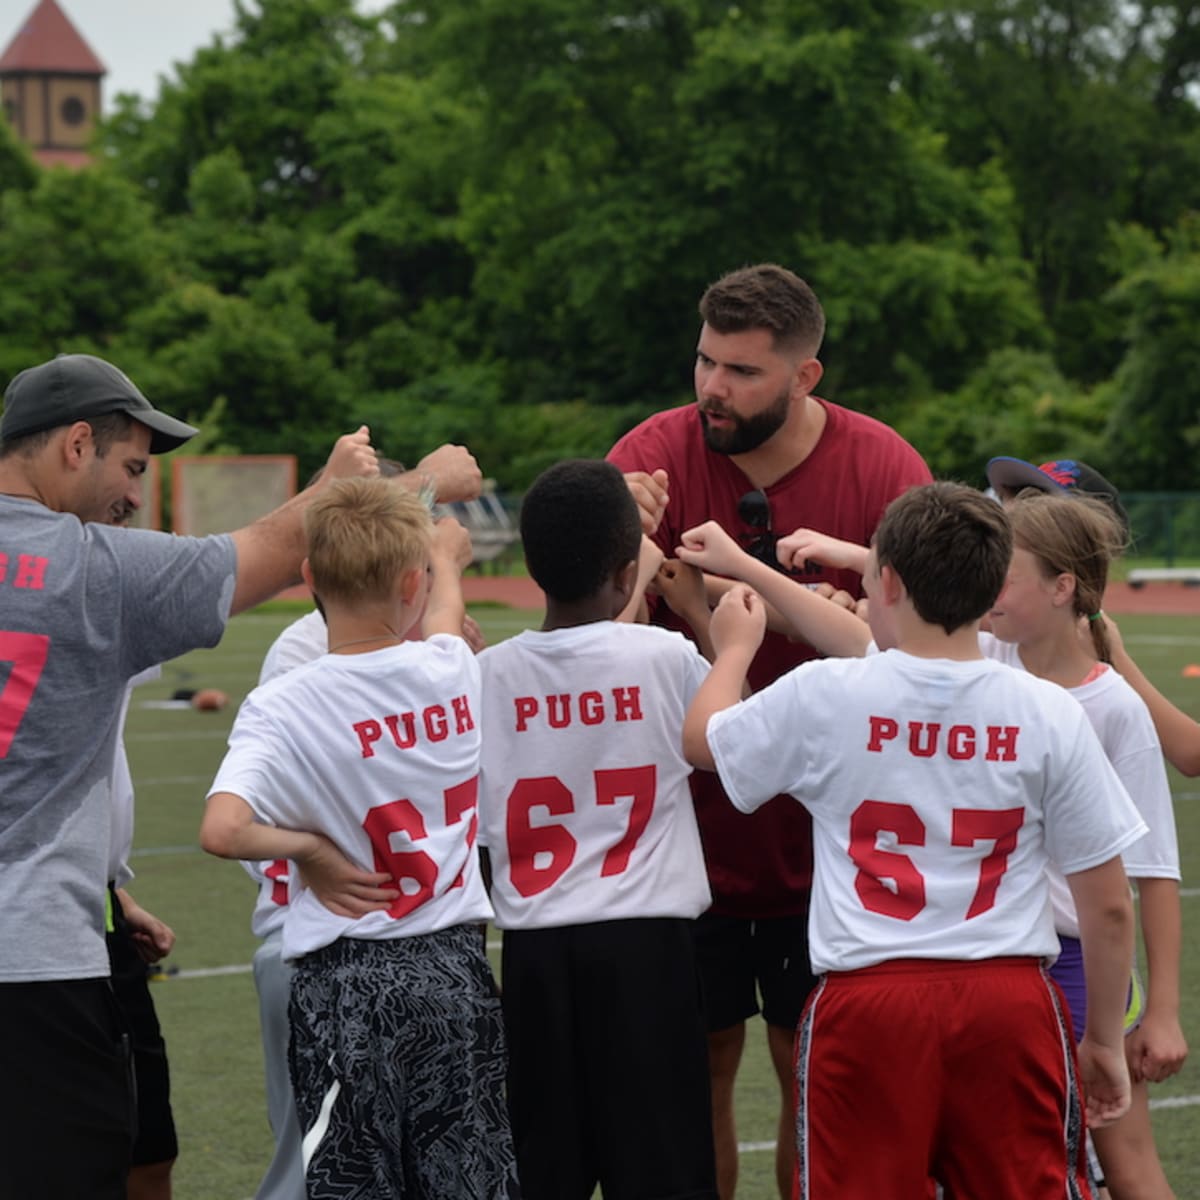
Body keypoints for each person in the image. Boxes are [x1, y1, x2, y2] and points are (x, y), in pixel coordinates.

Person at [682, 481, 1145, 1198]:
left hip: (869, 1000)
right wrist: (1106, 1040)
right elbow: (1109, 904)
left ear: (888, 581)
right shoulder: (1048, 711)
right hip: (1008, 1002)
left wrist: (732, 651)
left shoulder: (828, 692)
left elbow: (704, 741)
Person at [0, 351, 378, 1199]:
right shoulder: (94, 568)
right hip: (34, 965)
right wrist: (346, 478)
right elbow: (275, 552)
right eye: (131, 466)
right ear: (74, 445)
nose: (135, 494)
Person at [606, 262, 931, 1197]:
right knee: (695, 1072)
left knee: (813, 1073)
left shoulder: (884, 467)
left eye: (743, 371)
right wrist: (622, 550)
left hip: (831, 838)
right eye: (705, 360)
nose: (712, 387)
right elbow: (595, 647)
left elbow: (925, 657)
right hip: (689, 832)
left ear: (805, 376)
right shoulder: (652, 451)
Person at [199, 477, 519, 1200]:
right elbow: (445, 612)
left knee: (353, 1182)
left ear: (309, 578)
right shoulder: (449, 668)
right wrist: (449, 561)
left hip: (347, 983)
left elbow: (222, 828)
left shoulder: (282, 704)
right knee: (467, 1179)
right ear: (413, 581)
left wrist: (310, 852)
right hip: (453, 970)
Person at [475, 459, 717, 1199]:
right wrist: (719, 630)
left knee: (546, 1169)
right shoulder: (666, 657)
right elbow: (733, 744)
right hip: (650, 950)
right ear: (625, 573)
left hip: (536, 954)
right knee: (664, 1170)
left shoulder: (487, 674)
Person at [986, 491, 1186, 1199]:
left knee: (1124, 1163)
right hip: (997, 958)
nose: (984, 588)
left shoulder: (1113, 707)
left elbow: (1155, 868)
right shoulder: (982, 658)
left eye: (1000, 573)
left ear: (1063, 586)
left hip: (1079, 970)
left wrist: (1161, 1009)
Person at [987, 455, 1200, 778]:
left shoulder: (1095, 655)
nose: (1014, 512)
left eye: (1037, 502)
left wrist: (1112, 657)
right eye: (1014, 497)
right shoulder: (985, 620)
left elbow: (1191, 753)